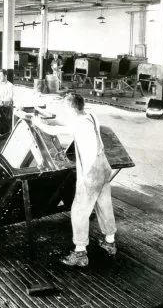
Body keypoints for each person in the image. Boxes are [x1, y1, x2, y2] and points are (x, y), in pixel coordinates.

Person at [30, 93, 117, 267]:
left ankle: (80, 253)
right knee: (104, 205)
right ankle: (110, 242)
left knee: (79, 211)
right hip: (103, 166)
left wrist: (37, 122)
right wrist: (48, 120)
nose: (64, 110)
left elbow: (55, 131)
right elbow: (67, 124)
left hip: (91, 171)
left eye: (65, 107)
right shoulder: (90, 116)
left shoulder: (79, 124)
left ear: (71, 108)